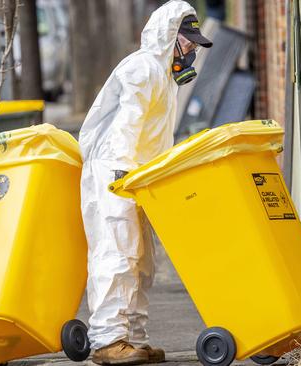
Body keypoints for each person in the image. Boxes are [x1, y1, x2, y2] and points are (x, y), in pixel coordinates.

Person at [78, 1, 213, 365]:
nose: (191, 52)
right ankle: (108, 340)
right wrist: (123, 173)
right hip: (115, 173)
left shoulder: (165, 78)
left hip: (138, 177)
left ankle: (134, 338)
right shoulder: (142, 69)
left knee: (141, 261)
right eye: (187, 43)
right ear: (169, 37)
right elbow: (128, 123)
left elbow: (155, 137)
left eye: (194, 47)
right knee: (116, 254)